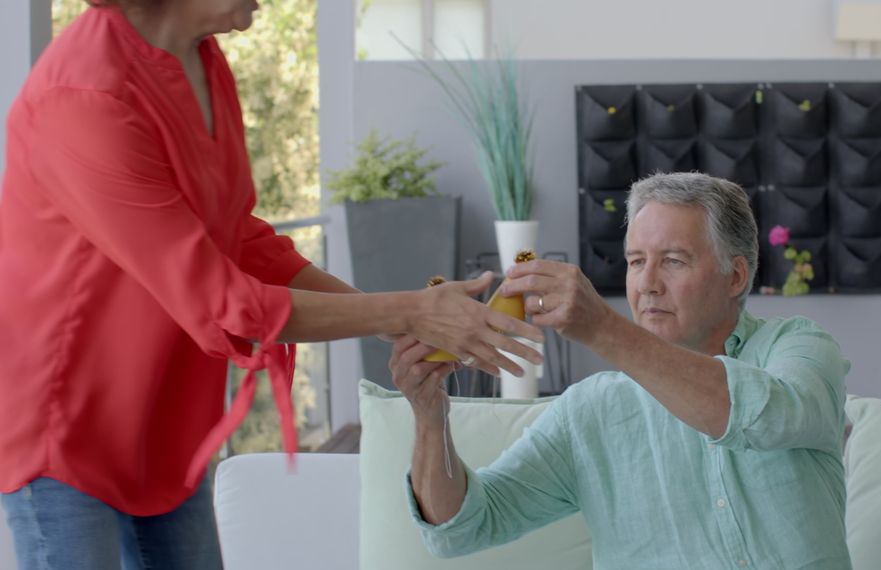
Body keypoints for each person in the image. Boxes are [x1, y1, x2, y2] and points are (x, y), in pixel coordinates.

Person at [0, 1, 542, 568]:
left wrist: (391, 320)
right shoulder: (84, 96)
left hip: (167, 427)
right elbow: (221, 302)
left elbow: (238, 238)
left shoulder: (204, 62)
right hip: (69, 434)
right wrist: (407, 313)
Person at [392, 172, 852, 569]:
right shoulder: (592, 411)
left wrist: (602, 329)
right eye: (636, 263)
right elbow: (462, 528)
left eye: (673, 261)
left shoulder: (798, 349)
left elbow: (762, 415)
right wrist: (430, 415)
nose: (647, 284)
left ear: (735, 277)